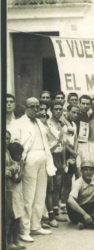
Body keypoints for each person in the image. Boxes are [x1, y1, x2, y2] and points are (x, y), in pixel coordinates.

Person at [9, 97, 57, 242]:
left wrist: (44, 121)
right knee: (28, 196)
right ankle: (24, 230)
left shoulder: (40, 123)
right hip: (29, 159)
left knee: (40, 195)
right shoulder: (18, 123)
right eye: (33, 107)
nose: (36, 110)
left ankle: (36, 226)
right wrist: (19, 162)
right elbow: (14, 144)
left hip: (43, 158)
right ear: (26, 107)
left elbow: (54, 137)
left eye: (38, 107)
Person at [46, 101, 68, 227]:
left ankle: (56, 211)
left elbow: (63, 145)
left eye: (61, 109)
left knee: (58, 185)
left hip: (59, 157)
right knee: (51, 186)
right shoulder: (47, 124)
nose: (59, 111)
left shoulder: (61, 124)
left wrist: (64, 161)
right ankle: (50, 215)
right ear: (51, 110)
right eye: (56, 109)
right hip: (50, 156)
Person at [67, 161, 94, 231]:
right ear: (81, 171)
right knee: (69, 203)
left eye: (91, 169)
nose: (88, 172)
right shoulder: (78, 182)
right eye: (85, 170)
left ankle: (84, 223)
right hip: (78, 210)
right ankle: (92, 224)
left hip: (90, 207)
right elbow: (70, 200)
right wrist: (84, 214)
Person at [5, 133, 25, 250]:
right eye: (4, 138)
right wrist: (20, 167)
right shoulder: (10, 156)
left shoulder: (8, 152)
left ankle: (15, 241)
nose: (6, 140)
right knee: (11, 218)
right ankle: (10, 242)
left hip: (15, 193)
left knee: (17, 217)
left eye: (8, 138)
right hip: (10, 191)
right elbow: (17, 178)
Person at [60, 104, 80, 214]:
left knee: (75, 178)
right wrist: (72, 152)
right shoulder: (63, 125)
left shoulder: (74, 124)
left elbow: (75, 139)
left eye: (77, 113)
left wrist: (75, 151)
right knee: (66, 182)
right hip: (65, 154)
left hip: (73, 154)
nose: (75, 115)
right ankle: (62, 204)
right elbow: (63, 142)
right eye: (73, 112)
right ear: (67, 111)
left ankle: (69, 202)